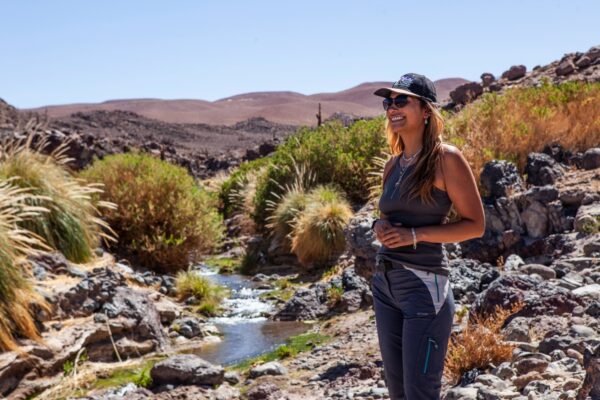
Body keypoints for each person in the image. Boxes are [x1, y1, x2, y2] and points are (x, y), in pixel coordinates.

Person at [370, 73, 485, 399]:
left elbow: (475, 225)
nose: (393, 107)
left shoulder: (445, 158)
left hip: (424, 287)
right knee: (398, 392)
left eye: (401, 100)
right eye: (388, 102)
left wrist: (415, 236)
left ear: (425, 111)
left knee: (420, 392)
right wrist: (378, 227)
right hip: (385, 287)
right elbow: (389, 218)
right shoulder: (392, 166)